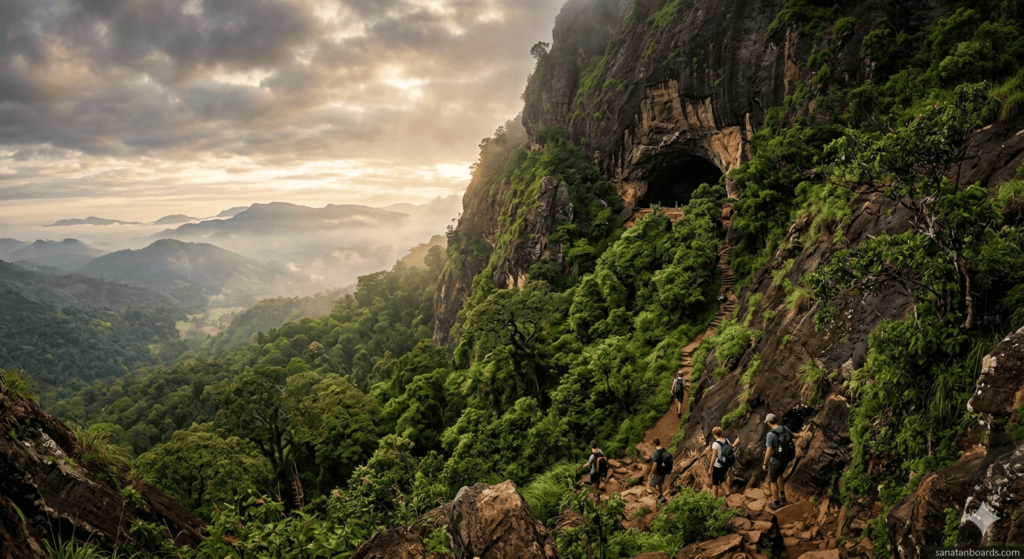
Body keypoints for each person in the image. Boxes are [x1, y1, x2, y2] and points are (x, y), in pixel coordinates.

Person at [762, 413, 793, 511]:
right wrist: (802, 434)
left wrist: (765, 463)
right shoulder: (785, 428)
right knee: (780, 475)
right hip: (786, 459)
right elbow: (793, 436)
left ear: (768, 422)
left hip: (775, 461)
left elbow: (769, 451)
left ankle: (776, 503)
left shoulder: (770, 434)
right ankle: (782, 496)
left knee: (773, 481)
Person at [708, 426, 737, 499]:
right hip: (726, 464)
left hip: (718, 465)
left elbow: (714, 457)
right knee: (721, 478)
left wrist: (710, 468)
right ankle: (728, 494)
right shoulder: (726, 440)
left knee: (715, 480)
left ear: (714, 435)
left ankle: (714, 497)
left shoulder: (715, 444)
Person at [647, 437, 672, 504]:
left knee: (651, 485)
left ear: (654, 444)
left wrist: (650, 474)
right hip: (664, 471)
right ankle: (663, 502)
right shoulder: (665, 450)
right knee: (659, 485)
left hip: (658, 472)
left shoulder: (656, 453)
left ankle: (660, 497)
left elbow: (654, 465)